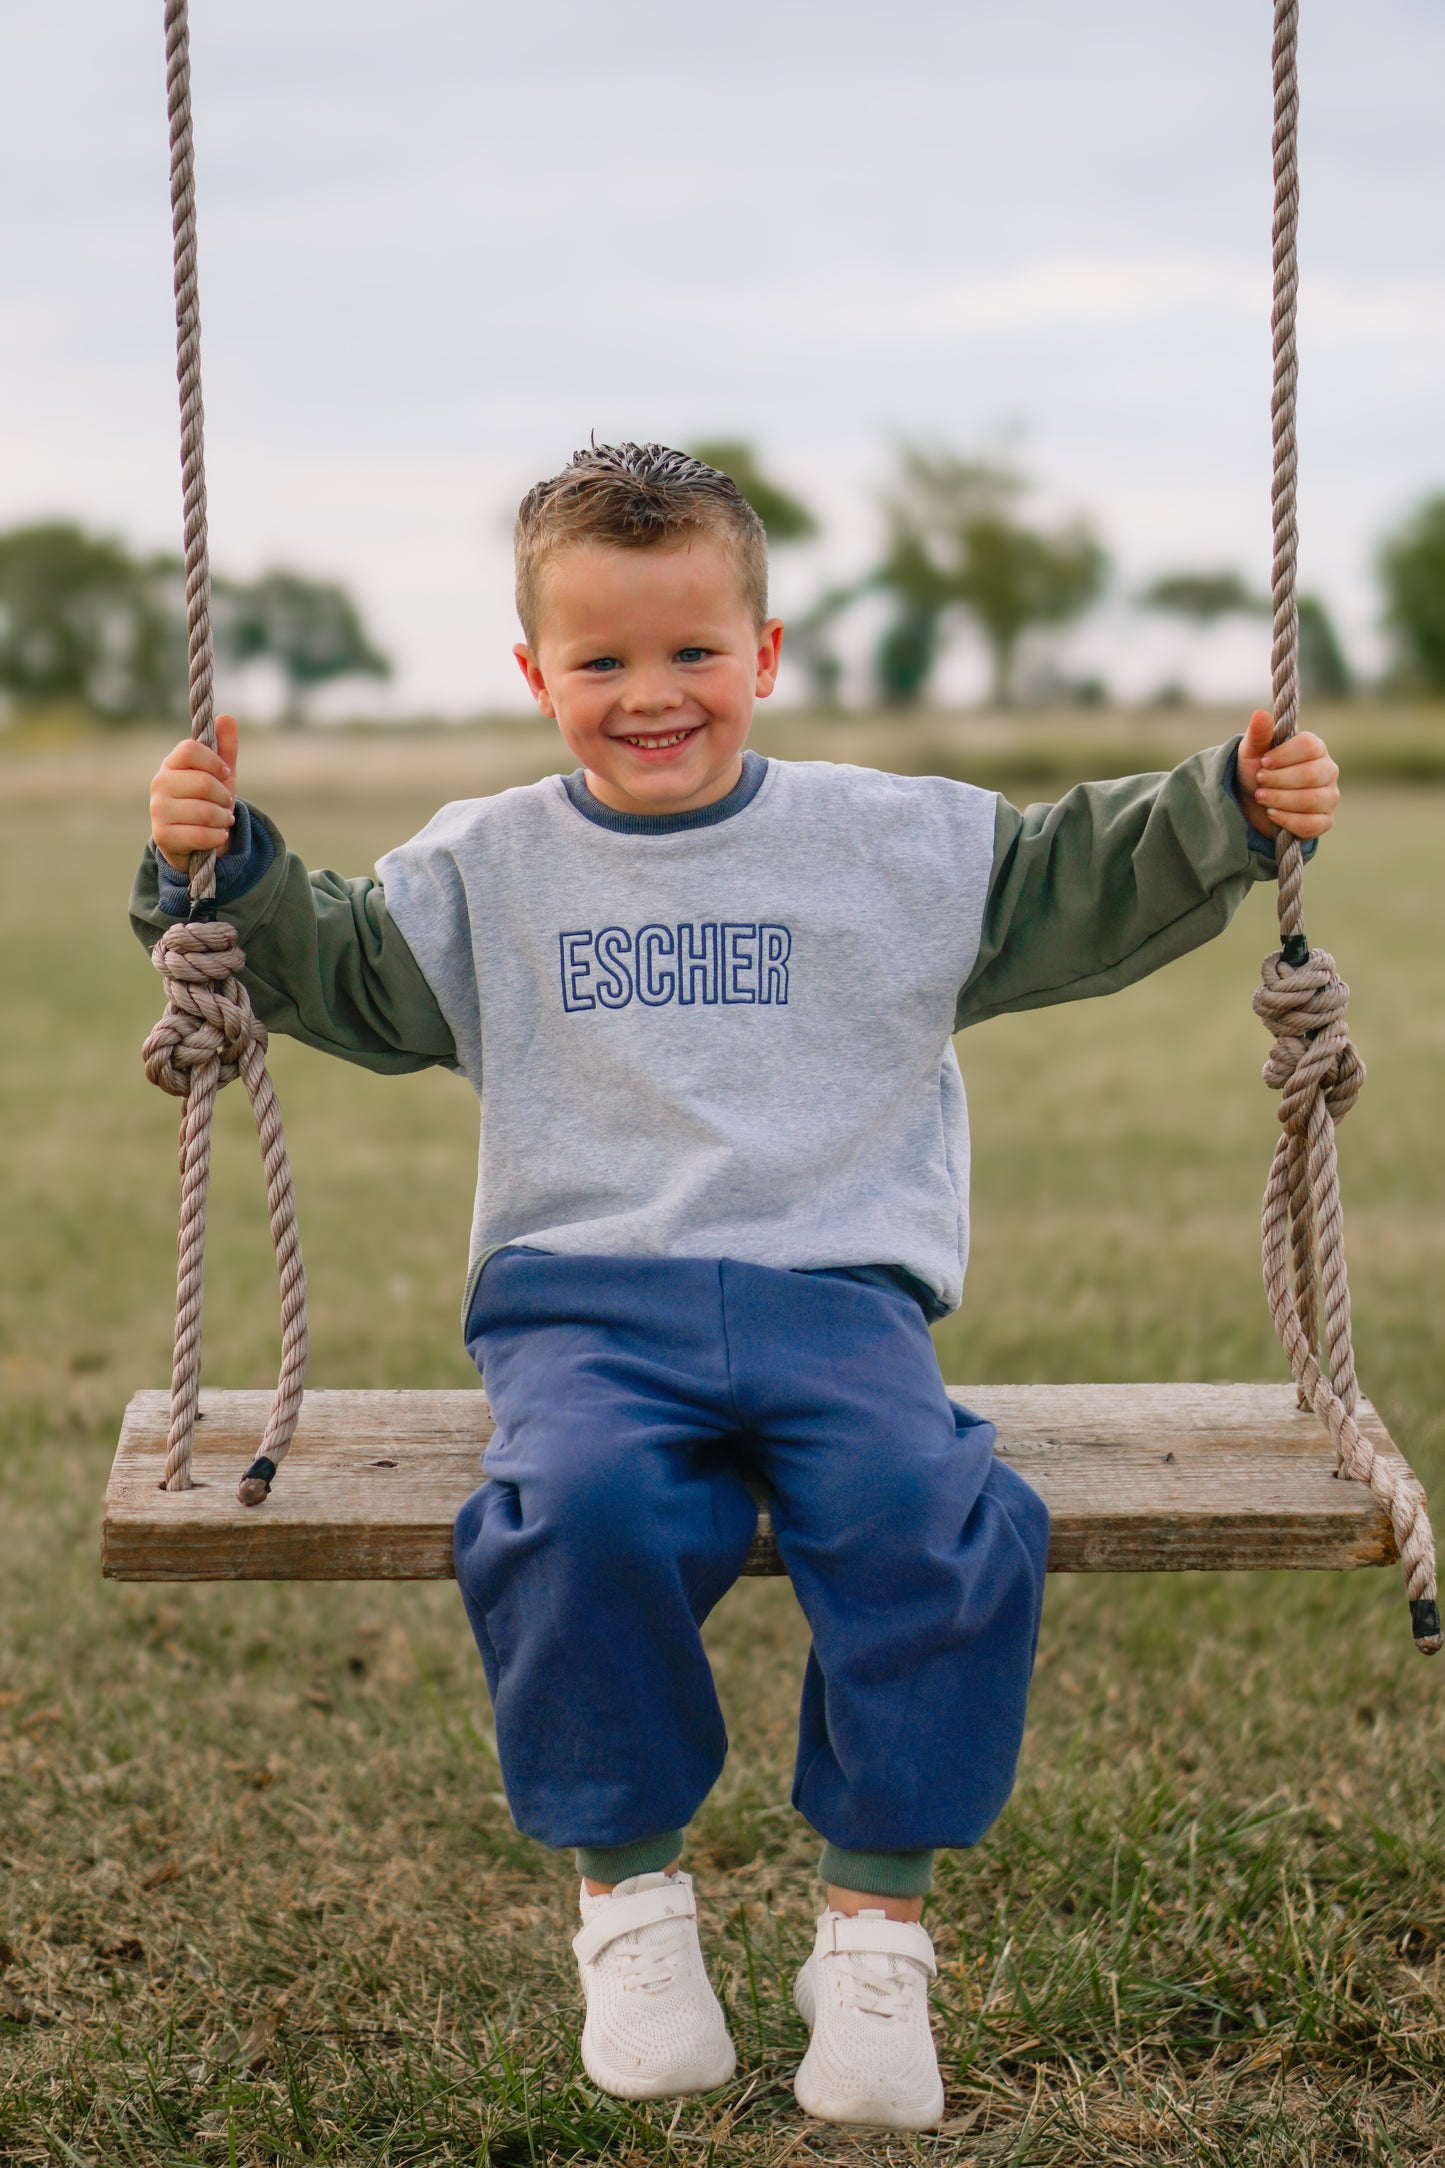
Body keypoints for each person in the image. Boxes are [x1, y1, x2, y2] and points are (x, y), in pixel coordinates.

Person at [132, 443, 1340, 2132]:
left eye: (693, 652)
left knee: (929, 1514)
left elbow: (1068, 878)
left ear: (762, 655)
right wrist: (225, 865)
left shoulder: (890, 839)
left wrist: (1226, 800)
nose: (651, 696)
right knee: (577, 1511)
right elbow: (345, 966)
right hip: (582, 1303)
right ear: (533, 673)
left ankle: (871, 1932)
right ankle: (627, 1905)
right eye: (602, 661)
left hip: (837, 1296)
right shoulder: (487, 863)